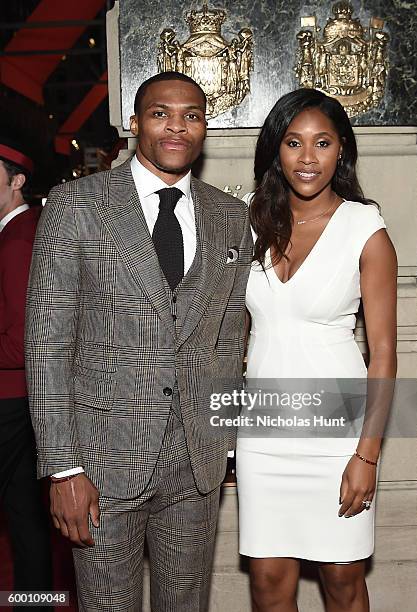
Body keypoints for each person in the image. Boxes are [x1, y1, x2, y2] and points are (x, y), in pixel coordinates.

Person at [25, 72, 252, 612]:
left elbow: (228, 339)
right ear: (134, 123)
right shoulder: (76, 204)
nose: (177, 127)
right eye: (160, 113)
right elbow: (47, 344)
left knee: (187, 604)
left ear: (205, 127)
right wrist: (62, 468)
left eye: (191, 115)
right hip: (100, 462)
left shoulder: (229, 215)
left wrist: (220, 443)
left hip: (194, 466)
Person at [236, 88, 397, 612]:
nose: (308, 158)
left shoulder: (365, 230)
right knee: (267, 584)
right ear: (275, 151)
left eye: (322, 143)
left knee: (343, 581)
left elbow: (385, 352)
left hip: (338, 437)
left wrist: (366, 455)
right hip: (263, 434)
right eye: (293, 142)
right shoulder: (250, 222)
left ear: (342, 151)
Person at [0, 138, 53, 608]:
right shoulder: (20, 230)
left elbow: (22, 342)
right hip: (21, 400)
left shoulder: (17, 238)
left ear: (17, 182)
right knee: (24, 516)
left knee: (24, 516)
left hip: (8, 401)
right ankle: (34, 601)